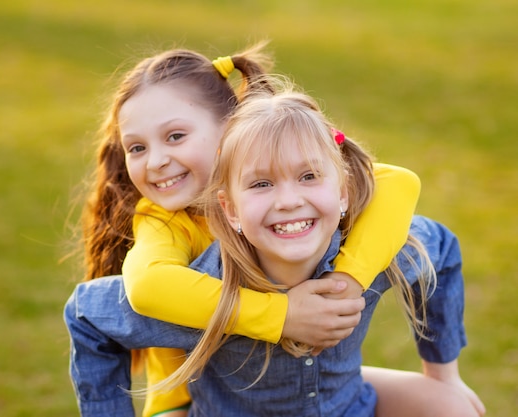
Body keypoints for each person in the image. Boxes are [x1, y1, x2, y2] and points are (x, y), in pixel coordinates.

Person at [65, 79, 485, 416]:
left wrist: (442, 370)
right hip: (197, 398)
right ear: (228, 207)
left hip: (342, 401)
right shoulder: (193, 273)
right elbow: (96, 311)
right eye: (262, 183)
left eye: (175, 135)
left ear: (344, 191)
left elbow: (435, 241)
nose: (156, 160)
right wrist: (281, 315)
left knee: (453, 407)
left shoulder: (364, 247)